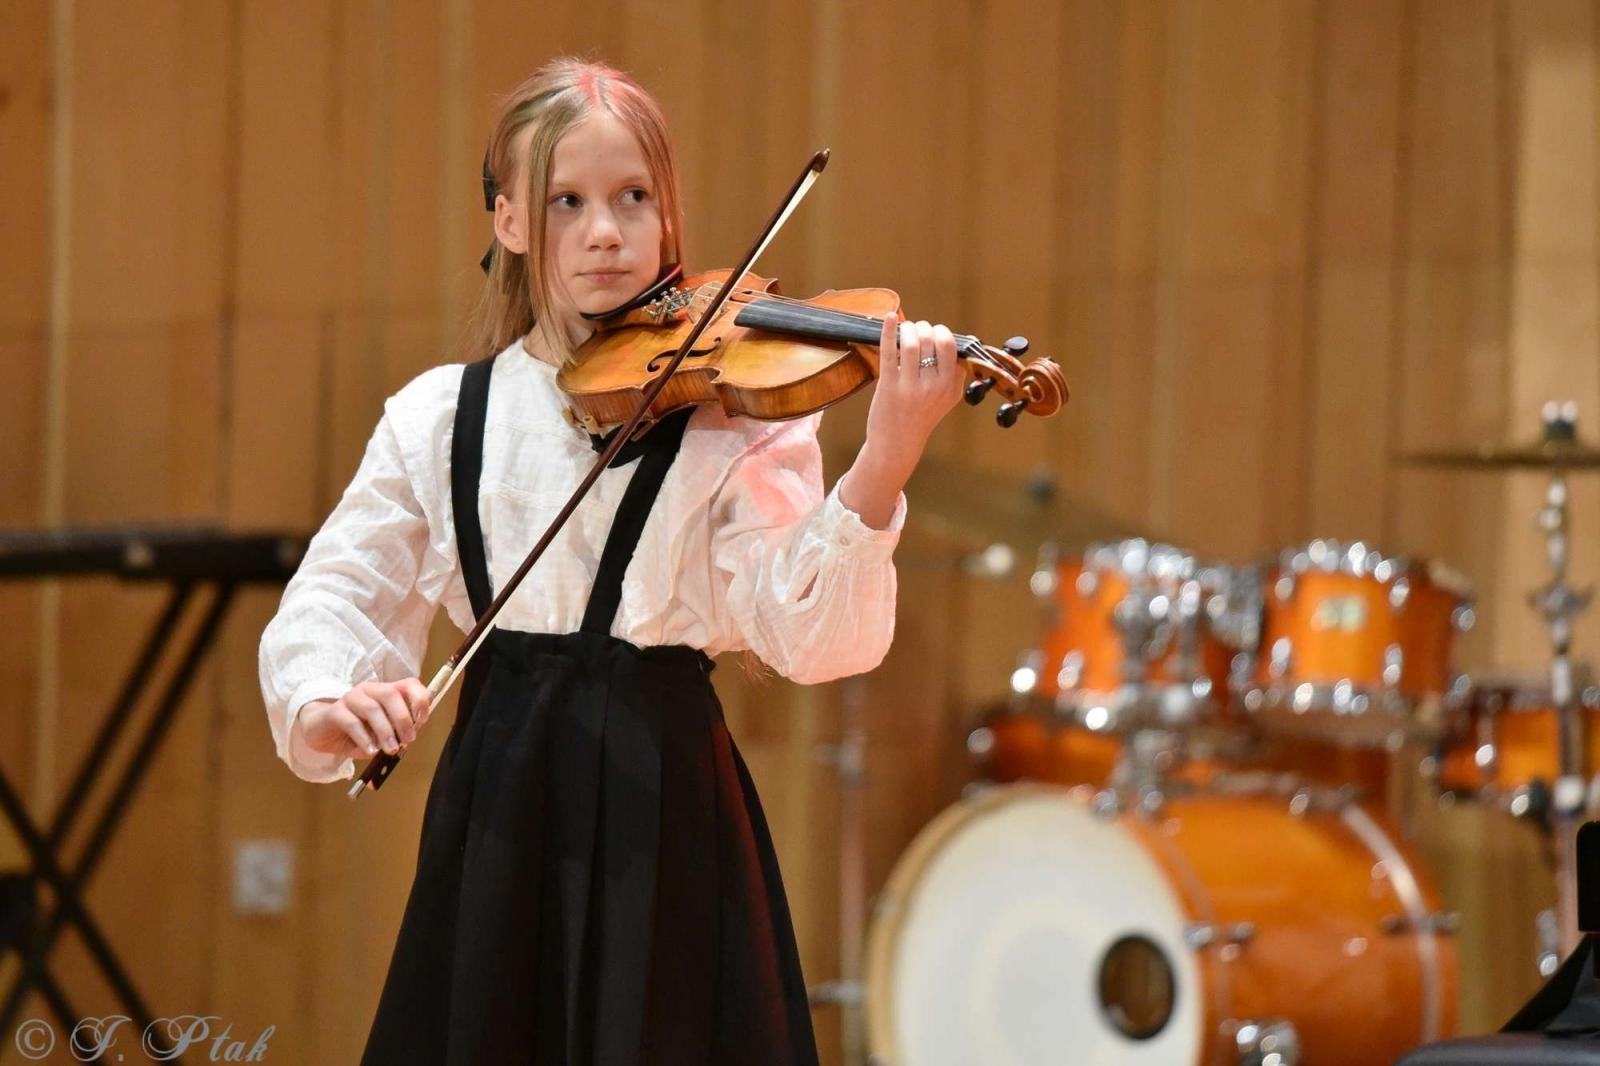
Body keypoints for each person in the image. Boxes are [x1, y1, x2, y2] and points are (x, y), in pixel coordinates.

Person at [258, 57, 963, 1065]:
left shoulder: (731, 421)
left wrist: (885, 457)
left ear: (668, 215)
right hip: (497, 816)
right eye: (567, 202)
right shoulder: (439, 419)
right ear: (508, 221)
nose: (605, 231)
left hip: (667, 815)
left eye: (634, 197)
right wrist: (327, 698)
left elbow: (808, 637)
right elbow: (335, 594)